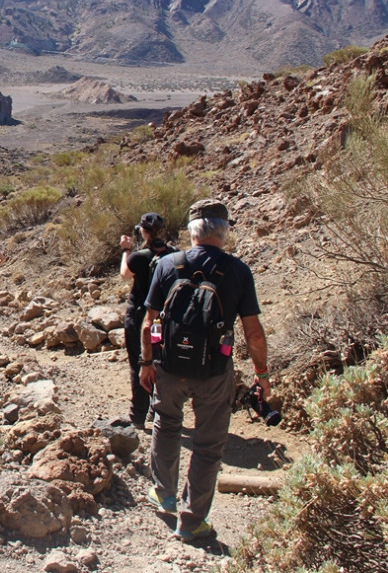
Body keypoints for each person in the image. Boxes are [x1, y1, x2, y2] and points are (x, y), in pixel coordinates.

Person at [139, 199, 270, 542]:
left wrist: (147, 362)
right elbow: (254, 333)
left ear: (192, 232)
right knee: (209, 444)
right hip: (214, 371)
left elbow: (148, 323)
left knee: (166, 423)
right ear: (223, 232)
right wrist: (263, 375)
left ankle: (163, 493)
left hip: (167, 366)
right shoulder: (238, 271)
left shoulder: (168, 264)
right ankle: (192, 519)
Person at [119, 212, 176, 429]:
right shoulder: (174, 255)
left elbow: (125, 274)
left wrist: (126, 249)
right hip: (165, 318)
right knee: (161, 360)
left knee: (140, 362)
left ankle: (138, 415)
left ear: (142, 231)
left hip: (140, 315)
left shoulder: (138, 257)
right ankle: (159, 407)